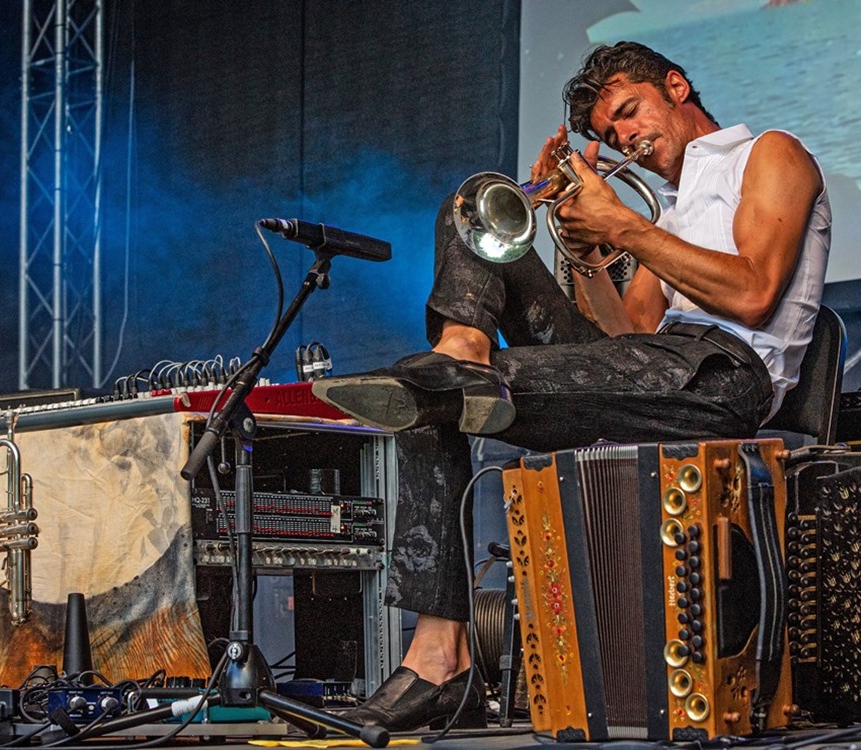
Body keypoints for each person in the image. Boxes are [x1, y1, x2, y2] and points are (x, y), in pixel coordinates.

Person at [313, 41, 831, 732]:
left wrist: (623, 225)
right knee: (480, 204)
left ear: (675, 87)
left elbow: (753, 291)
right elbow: (631, 336)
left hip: (725, 377)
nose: (627, 139)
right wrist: (589, 259)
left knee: (439, 393)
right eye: (612, 135)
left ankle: (458, 383)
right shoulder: (669, 213)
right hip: (661, 365)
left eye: (629, 112)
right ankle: (462, 349)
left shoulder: (768, 153)